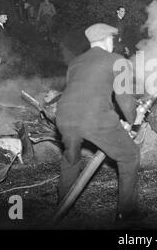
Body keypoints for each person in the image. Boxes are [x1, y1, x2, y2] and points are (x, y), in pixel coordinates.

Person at [56, 23, 141, 221]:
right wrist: (134, 122)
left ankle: (62, 204)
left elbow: (79, 91)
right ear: (107, 40)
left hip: (64, 117)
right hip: (94, 117)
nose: (113, 43)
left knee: (71, 158)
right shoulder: (117, 60)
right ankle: (126, 215)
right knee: (129, 156)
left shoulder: (75, 62)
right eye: (112, 39)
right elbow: (125, 99)